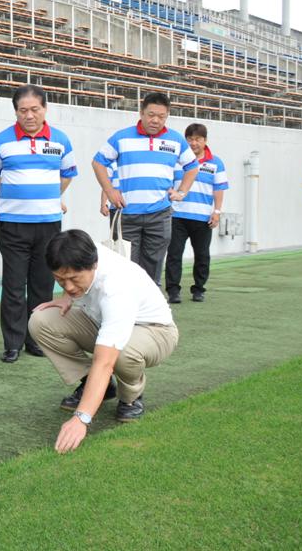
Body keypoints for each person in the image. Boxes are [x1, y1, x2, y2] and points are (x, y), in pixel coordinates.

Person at [30, 230, 179, 453]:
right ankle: (99, 385)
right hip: (101, 322)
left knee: (121, 352)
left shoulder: (116, 288)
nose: (68, 286)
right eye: (61, 279)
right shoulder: (81, 249)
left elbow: (104, 361)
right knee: (41, 321)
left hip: (155, 331)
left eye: (74, 280)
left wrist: (81, 419)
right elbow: (69, 271)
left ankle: (131, 397)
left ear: (94, 265)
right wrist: (66, 297)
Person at [0, 85, 77, 364]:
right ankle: (12, 343)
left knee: (42, 285)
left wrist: (48, 197)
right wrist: (17, 195)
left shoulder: (61, 140)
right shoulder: (1, 141)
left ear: (45, 109)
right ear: (15, 112)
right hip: (13, 224)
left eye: (35, 109)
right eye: (23, 110)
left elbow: (67, 174)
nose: (29, 115)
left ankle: (36, 339)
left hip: (49, 224)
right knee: (13, 285)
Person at [91, 93, 199, 285]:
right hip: (126, 214)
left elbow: (192, 166)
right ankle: (125, 312)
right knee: (124, 268)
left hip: (159, 214)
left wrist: (181, 192)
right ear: (141, 113)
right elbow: (98, 162)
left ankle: (151, 313)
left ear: (167, 116)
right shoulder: (121, 137)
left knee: (153, 268)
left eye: (161, 116)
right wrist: (109, 191)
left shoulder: (176, 140)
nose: (155, 120)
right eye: (151, 114)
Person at [164, 123, 228, 304]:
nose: (193, 143)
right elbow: (166, 181)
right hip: (177, 216)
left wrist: (217, 211)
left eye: (198, 139)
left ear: (205, 140)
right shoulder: (176, 160)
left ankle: (199, 289)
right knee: (174, 255)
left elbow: (219, 189)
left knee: (202, 255)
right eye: (190, 139)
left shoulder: (216, 162)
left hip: (202, 218)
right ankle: (173, 291)